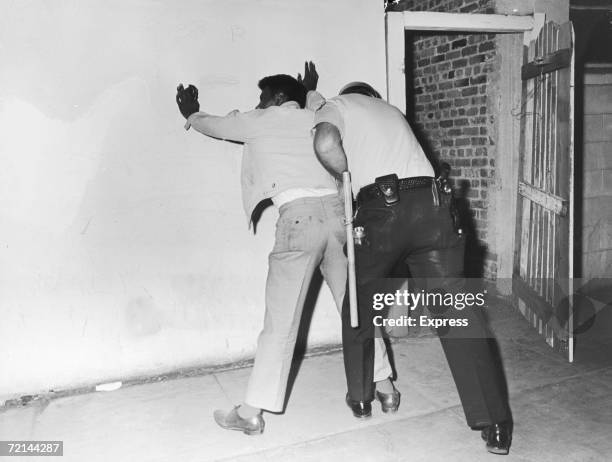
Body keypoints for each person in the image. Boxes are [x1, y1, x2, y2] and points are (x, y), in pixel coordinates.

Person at [175, 74, 395, 435]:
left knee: (280, 323)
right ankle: (385, 388)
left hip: (299, 220)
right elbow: (315, 102)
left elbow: (216, 125)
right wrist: (307, 88)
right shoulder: (318, 115)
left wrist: (192, 113)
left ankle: (250, 413)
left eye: (263, 97)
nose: (258, 104)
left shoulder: (261, 120)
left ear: (277, 98)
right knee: (355, 308)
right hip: (340, 219)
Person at [312, 81, 513, 455]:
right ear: (373, 97)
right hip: (435, 207)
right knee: (458, 314)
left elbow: (325, 143)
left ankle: (361, 397)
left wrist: (346, 180)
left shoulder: (336, 105)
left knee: (359, 304)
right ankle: (496, 424)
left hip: (382, 210)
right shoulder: (391, 112)